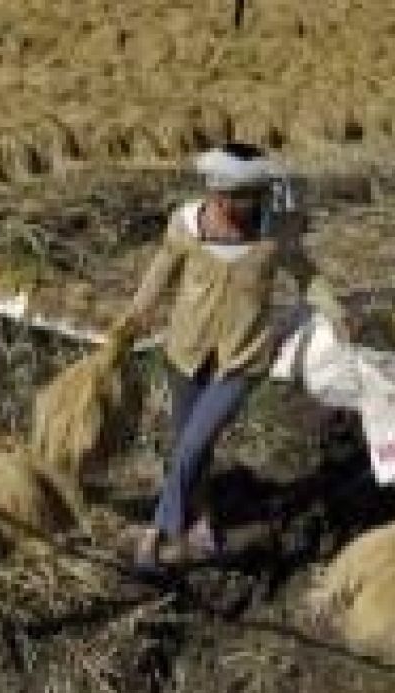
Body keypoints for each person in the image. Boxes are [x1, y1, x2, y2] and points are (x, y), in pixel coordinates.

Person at [105, 142, 346, 572]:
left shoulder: (276, 232)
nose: (232, 205)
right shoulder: (187, 224)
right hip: (186, 351)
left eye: (244, 197)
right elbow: (160, 271)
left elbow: (306, 275)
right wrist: (133, 319)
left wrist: (335, 311)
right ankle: (202, 524)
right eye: (225, 196)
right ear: (213, 192)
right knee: (190, 446)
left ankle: (156, 531)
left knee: (195, 442)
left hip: (243, 358)